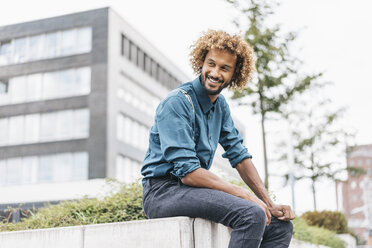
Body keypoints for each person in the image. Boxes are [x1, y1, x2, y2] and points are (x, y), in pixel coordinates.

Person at [141, 30, 295, 248]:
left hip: (191, 191)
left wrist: (268, 203)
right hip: (162, 193)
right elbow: (188, 173)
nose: (215, 72)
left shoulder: (220, 106)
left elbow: (239, 156)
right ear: (201, 62)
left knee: (280, 226)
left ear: (234, 74)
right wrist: (246, 195)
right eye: (211, 64)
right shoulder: (177, 103)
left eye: (224, 68)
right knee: (251, 214)